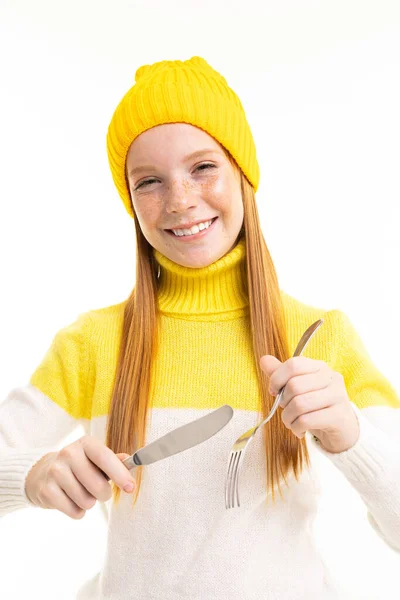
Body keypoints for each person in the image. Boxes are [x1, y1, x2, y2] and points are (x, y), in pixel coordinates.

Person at [0, 55, 399, 599]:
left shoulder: (320, 335)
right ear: (131, 203)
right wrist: (32, 475)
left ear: (243, 173)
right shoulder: (91, 343)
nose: (181, 200)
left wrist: (350, 436)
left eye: (203, 167)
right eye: (149, 181)